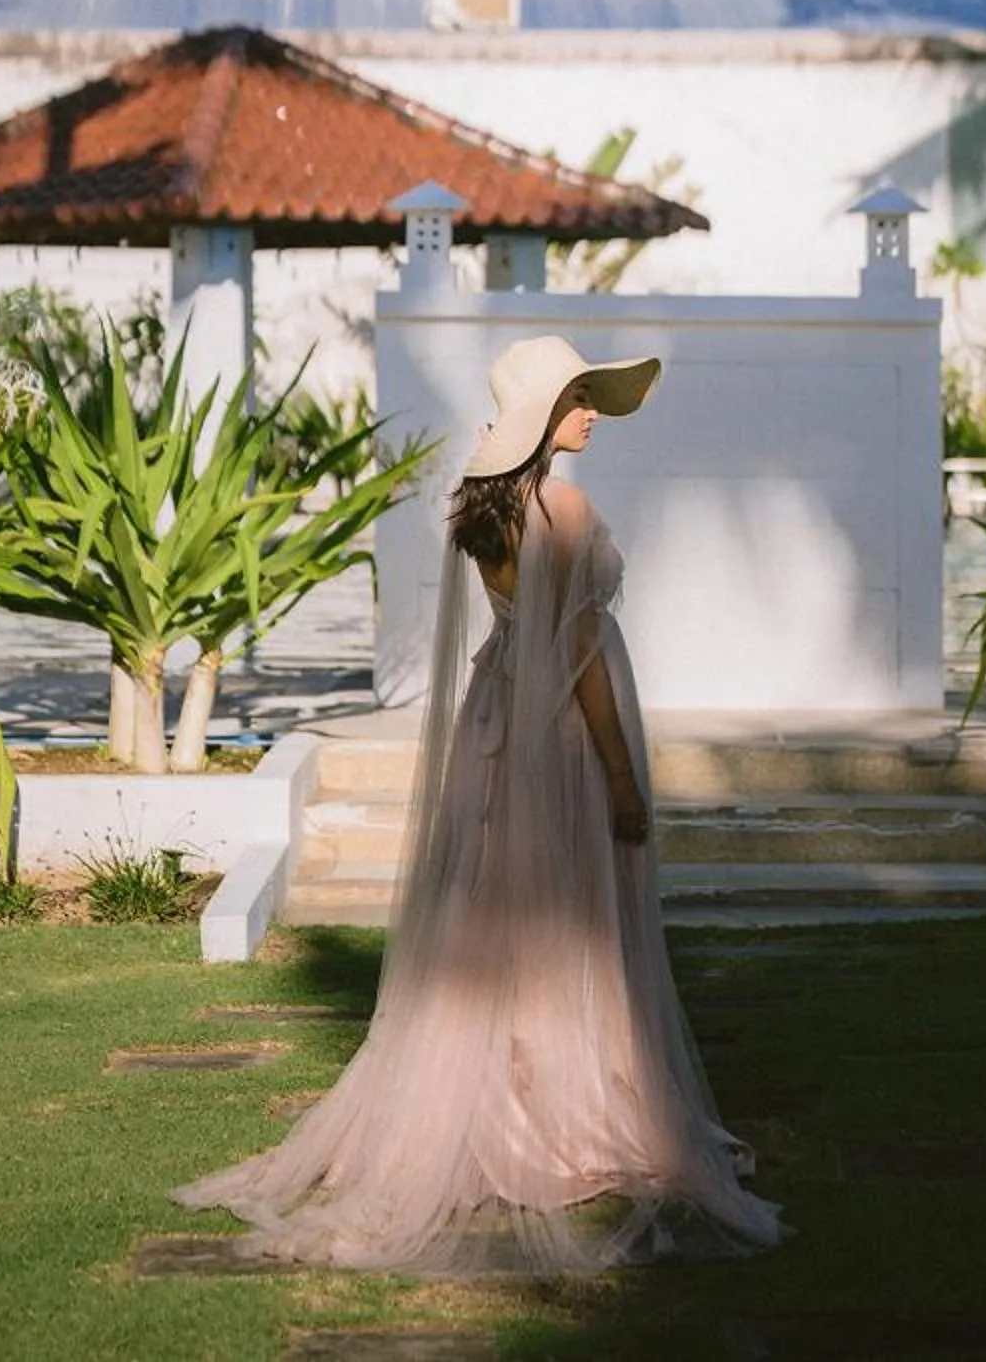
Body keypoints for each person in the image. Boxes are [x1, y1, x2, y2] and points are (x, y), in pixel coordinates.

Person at [171, 331, 781, 1272]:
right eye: (579, 399)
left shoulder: (484, 515)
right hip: (564, 738)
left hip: (494, 722)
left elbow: (525, 635)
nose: (591, 414)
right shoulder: (566, 511)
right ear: (543, 419)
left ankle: (510, 1097)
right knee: (569, 909)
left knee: (497, 911)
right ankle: (563, 1107)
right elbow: (579, 663)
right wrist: (620, 774)